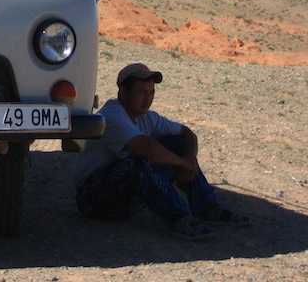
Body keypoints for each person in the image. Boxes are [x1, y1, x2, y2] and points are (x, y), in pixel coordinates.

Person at [73, 62, 250, 240]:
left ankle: (207, 207)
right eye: (141, 92)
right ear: (124, 93)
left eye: (151, 92)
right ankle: (180, 218)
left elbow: (187, 134)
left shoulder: (147, 117)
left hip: (121, 190)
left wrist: (189, 158)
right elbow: (147, 148)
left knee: (176, 143)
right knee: (138, 163)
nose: (147, 99)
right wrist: (184, 163)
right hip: (93, 198)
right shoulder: (112, 116)